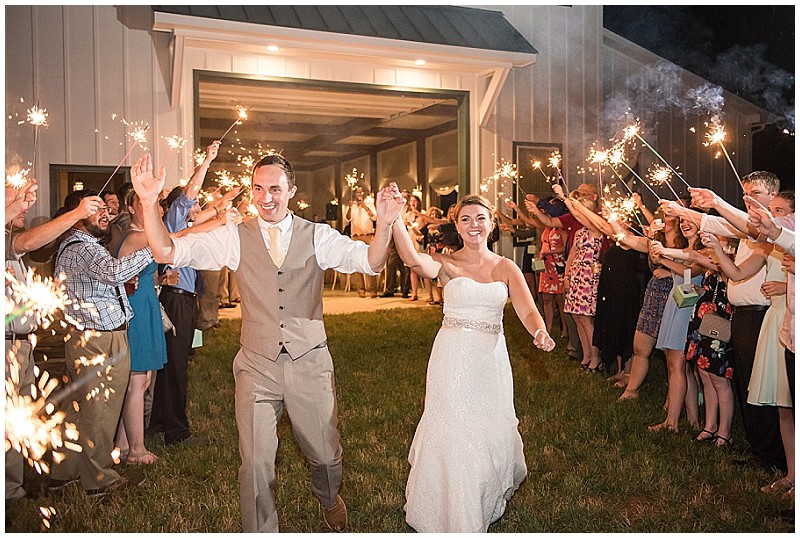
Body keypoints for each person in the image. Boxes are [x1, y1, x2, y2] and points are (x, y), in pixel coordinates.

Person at [130, 152, 402, 532]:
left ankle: (328, 497)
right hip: (256, 364)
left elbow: (370, 262)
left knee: (324, 455)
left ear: (291, 190)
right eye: (258, 188)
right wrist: (147, 203)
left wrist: (385, 224)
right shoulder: (234, 236)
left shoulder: (317, 235)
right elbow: (166, 251)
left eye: (275, 188)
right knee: (255, 464)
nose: (266, 197)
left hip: (309, 361)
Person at [390, 194, 555, 532]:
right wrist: (393, 219)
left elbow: (526, 308)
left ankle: (481, 496)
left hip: (490, 359)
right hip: (452, 356)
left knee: (488, 425)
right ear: (457, 225)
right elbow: (411, 259)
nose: (473, 225)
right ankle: (451, 510)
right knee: (453, 426)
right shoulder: (447, 263)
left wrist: (539, 332)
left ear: (491, 224)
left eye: (480, 218)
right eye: (465, 219)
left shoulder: (505, 267)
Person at [664, 172, 787, 473]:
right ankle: (761, 452)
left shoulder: (773, 232)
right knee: (748, 386)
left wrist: (712, 203)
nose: (749, 199)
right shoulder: (751, 232)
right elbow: (735, 267)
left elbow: (733, 225)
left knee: (770, 394)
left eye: (756, 192)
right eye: (745, 193)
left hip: (765, 316)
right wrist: (691, 215)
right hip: (743, 316)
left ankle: (774, 458)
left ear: (774, 195)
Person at [48, 190, 152, 497]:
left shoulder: (84, 247)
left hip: (89, 337)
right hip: (99, 341)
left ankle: (63, 472)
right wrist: (156, 248)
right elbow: (113, 271)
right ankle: (100, 479)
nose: (105, 215)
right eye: (97, 211)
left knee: (80, 409)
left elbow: (106, 278)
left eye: (106, 210)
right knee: (101, 411)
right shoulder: (81, 247)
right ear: (76, 215)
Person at [4, 180, 102, 501]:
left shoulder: (8, 238)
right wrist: (76, 214)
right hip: (5, 347)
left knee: (18, 419)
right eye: (12, 193)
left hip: (20, 345)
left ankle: (13, 491)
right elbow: (31, 241)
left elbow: (31, 242)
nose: (23, 202)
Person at [147, 141, 221, 447]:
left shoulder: (188, 227)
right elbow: (188, 193)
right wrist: (206, 162)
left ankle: (160, 423)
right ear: (179, 206)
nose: (197, 207)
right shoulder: (174, 220)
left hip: (183, 299)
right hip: (176, 299)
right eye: (193, 203)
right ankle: (177, 433)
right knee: (177, 366)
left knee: (172, 365)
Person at [112, 190, 169, 465]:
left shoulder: (144, 233)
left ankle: (122, 445)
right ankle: (137, 450)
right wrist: (216, 221)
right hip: (135, 311)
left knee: (143, 380)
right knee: (136, 382)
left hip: (146, 305)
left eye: (154, 204)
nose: (151, 208)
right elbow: (174, 240)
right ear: (131, 208)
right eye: (143, 203)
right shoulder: (137, 236)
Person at [344, 186, 379, 298]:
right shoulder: (352, 206)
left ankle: (373, 290)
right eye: (357, 193)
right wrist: (350, 208)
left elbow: (374, 217)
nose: (359, 195)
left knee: (370, 262)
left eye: (361, 193)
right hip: (355, 237)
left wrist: (365, 206)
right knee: (357, 264)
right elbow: (348, 218)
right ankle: (361, 290)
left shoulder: (369, 204)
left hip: (367, 237)